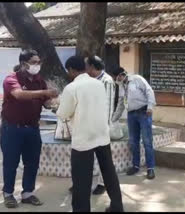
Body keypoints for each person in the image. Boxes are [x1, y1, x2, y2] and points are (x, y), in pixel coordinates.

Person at [56, 56, 123, 212]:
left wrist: (56, 108)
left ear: (71, 70)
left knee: (81, 179)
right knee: (109, 172)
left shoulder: (71, 88)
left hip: (83, 139)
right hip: (101, 135)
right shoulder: (98, 84)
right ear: (84, 68)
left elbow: (64, 113)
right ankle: (117, 206)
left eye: (68, 71)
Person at [1, 49, 58, 208]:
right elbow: (19, 95)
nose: (37, 65)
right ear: (23, 63)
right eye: (34, 62)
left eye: (38, 62)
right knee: (11, 162)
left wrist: (52, 101)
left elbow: (46, 102)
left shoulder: (39, 80)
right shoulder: (11, 79)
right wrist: (45, 92)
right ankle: (8, 193)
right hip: (12, 128)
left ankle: (27, 193)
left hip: (33, 128)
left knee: (32, 162)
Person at [112, 67, 156, 179]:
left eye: (117, 77)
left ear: (122, 75)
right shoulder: (121, 86)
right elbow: (121, 104)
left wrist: (150, 107)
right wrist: (113, 119)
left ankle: (150, 168)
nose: (116, 80)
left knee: (147, 141)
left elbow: (149, 91)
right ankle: (135, 166)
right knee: (133, 141)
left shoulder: (137, 79)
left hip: (144, 112)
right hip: (131, 114)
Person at [86, 55, 115, 195]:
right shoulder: (90, 80)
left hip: (101, 126)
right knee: (88, 156)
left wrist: (105, 127)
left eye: (87, 66)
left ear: (92, 67)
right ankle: (85, 183)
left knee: (102, 158)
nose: (85, 69)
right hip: (90, 124)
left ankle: (102, 183)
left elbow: (108, 105)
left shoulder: (107, 81)